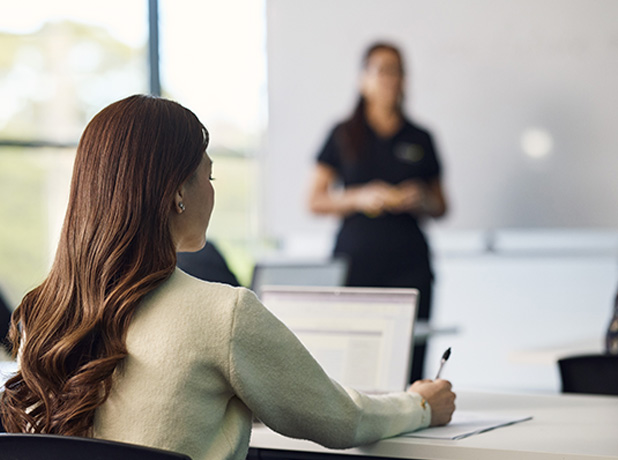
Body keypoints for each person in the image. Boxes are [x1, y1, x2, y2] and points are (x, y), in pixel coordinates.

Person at [0, 95, 455, 460]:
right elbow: (342, 420)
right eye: (209, 175)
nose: (213, 191)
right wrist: (419, 404)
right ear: (179, 192)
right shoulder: (223, 313)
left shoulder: (48, 312)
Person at [308, 42, 448, 382]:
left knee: (410, 366)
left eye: (396, 70)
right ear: (363, 79)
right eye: (380, 69)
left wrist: (421, 199)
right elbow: (315, 199)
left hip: (409, 265)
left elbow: (442, 205)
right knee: (355, 364)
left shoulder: (421, 137)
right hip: (357, 263)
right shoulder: (343, 134)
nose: (389, 78)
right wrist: (358, 197)